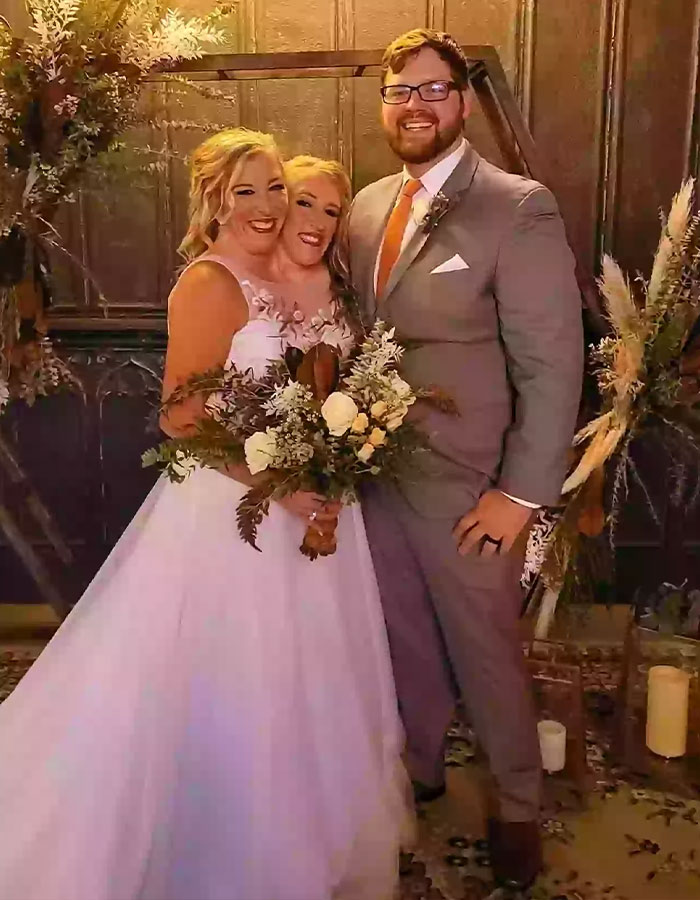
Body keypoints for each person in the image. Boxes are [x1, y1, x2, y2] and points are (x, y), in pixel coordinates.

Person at [0, 130, 410, 900]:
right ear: (214, 201)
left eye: (274, 190)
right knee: (229, 682)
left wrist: (339, 453)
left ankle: (311, 829)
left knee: (312, 680)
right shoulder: (210, 282)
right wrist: (279, 485)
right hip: (232, 518)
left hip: (314, 511)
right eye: (245, 191)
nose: (265, 207)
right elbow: (180, 421)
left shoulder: (295, 278)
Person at [350, 28, 584, 892]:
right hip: (374, 475)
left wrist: (519, 498)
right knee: (401, 638)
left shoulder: (517, 207)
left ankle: (518, 804)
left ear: (462, 100)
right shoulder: (368, 205)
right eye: (398, 90)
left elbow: (552, 365)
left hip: (471, 489)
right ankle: (422, 765)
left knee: (486, 654)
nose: (414, 105)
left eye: (432, 89)